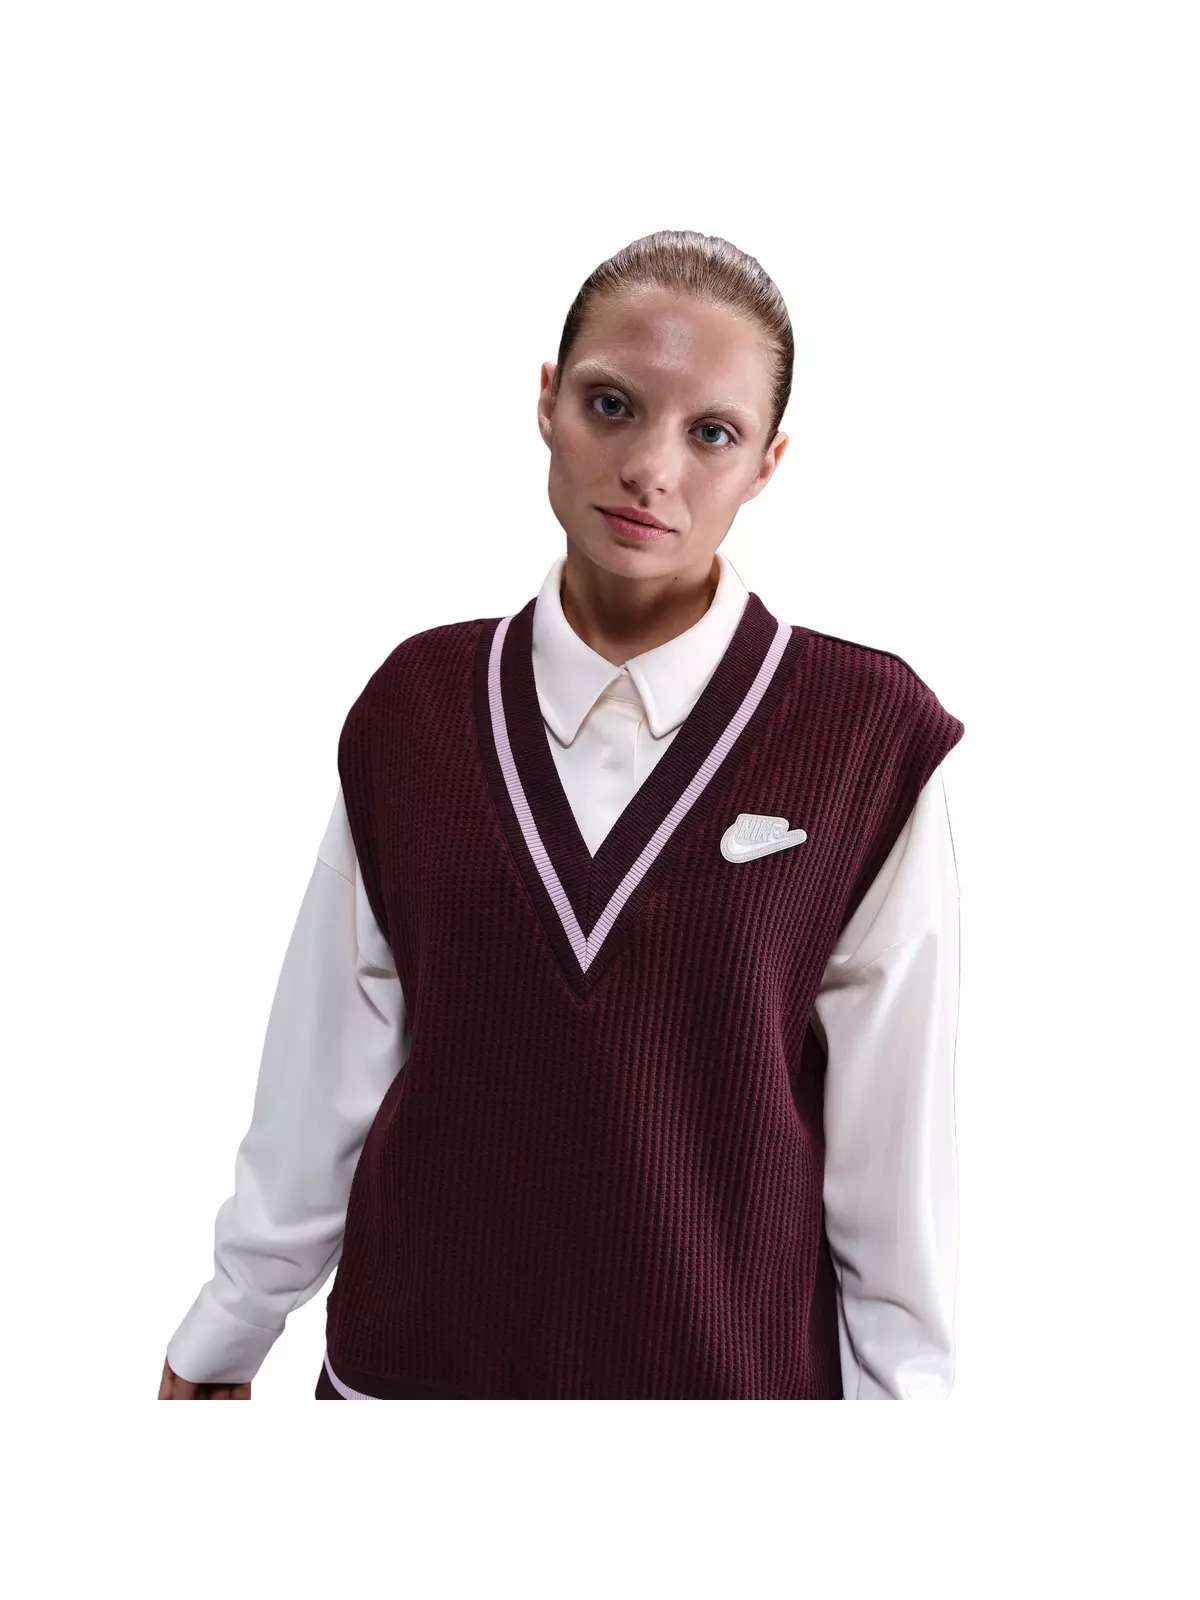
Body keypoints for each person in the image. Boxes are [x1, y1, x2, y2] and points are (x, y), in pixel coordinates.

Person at [160, 229, 964, 1401]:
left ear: (767, 463)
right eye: (611, 404)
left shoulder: (866, 736)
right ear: (547, 401)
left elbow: (896, 1159)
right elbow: (325, 1062)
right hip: (407, 1392)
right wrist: (229, 1326)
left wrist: (911, 1422)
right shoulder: (417, 706)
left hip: (724, 1418)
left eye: (712, 432)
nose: (651, 467)